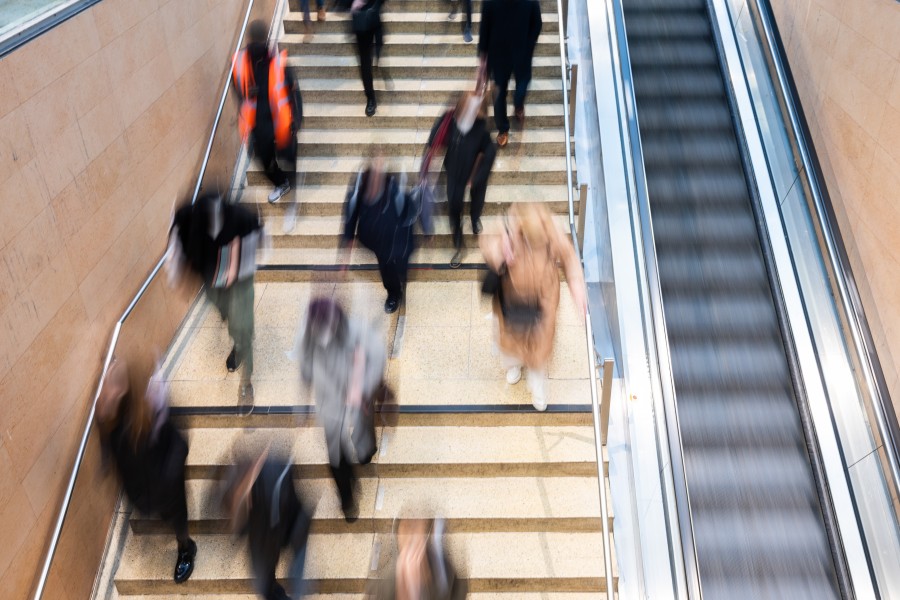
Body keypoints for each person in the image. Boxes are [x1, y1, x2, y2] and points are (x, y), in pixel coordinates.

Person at [95, 358, 196, 584]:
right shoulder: (106, 417)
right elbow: (108, 447)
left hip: (168, 490)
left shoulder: (151, 410)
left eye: (112, 385)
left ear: (126, 388)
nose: (106, 391)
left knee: (177, 522)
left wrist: (167, 478)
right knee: (160, 516)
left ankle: (186, 548)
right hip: (142, 491)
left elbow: (180, 444)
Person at [479, 204, 586, 411]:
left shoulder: (551, 230)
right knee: (510, 341)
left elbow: (569, 257)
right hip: (511, 298)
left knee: (540, 345)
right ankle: (514, 366)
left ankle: (537, 385)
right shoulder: (506, 228)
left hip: (543, 299)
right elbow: (486, 242)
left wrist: (576, 284)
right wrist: (500, 250)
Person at [295, 298, 386, 521]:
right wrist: (302, 407)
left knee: (364, 430)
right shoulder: (307, 338)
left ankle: (366, 452)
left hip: (359, 396)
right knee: (336, 456)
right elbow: (305, 371)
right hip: (330, 403)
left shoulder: (356, 331)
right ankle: (347, 498)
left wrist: (363, 387)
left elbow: (378, 357)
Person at [169, 193, 262, 405]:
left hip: (240, 276)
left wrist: (234, 267)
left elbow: (252, 240)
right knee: (229, 316)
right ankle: (239, 338)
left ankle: (246, 383)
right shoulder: (188, 219)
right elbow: (179, 253)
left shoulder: (240, 217)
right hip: (211, 278)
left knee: (242, 326)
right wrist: (184, 279)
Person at [221, 447, 312, 600]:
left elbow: (294, 505)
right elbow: (237, 524)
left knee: (296, 577)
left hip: (288, 529)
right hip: (263, 543)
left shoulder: (279, 469)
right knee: (266, 587)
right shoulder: (232, 487)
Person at [423, 91, 496, 268]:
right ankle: (458, 245)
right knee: (454, 208)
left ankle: (475, 218)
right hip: (455, 172)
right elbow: (434, 138)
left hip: (475, 173)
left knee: (477, 200)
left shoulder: (482, 128)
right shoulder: (450, 121)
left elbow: (490, 153)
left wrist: (477, 178)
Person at [233, 20, 303, 203]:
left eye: (260, 41)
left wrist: (297, 118)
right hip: (258, 124)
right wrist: (247, 93)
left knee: (288, 156)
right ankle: (283, 182)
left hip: (280, 121)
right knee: (264, 161)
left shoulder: (278, 61)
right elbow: (238, 92)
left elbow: (293, 91)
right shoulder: (240, 63)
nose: (257, 45)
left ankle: (293, 184)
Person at [342, 153, 415, 314]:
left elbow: (407, 206)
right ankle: (393, 294)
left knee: (401, 263)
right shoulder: (359, 187)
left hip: (396, 233)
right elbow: (350, 214)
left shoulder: (393, 184)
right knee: (386, 265)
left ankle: (400, 278)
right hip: (375, 238)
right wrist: (348, 242)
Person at [477, 0, 542, 147]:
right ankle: (503, 128)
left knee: (522, 87)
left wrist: (528, 45)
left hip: (522, 55)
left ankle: (518, 105)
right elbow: (484, 28)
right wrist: (483, 58)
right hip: (498, 56)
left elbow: (537, 24)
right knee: (499, 94)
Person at [375, 517, 467, 599]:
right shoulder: (382, 586)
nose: (411, 537)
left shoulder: (449, 577)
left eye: (416, 528)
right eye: (407, 527)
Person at [351, 0, 386, 116]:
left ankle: (371, 98)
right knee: (365, 63)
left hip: (373, 14)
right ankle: (370, 98)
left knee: (376, 53)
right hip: (360, 21)